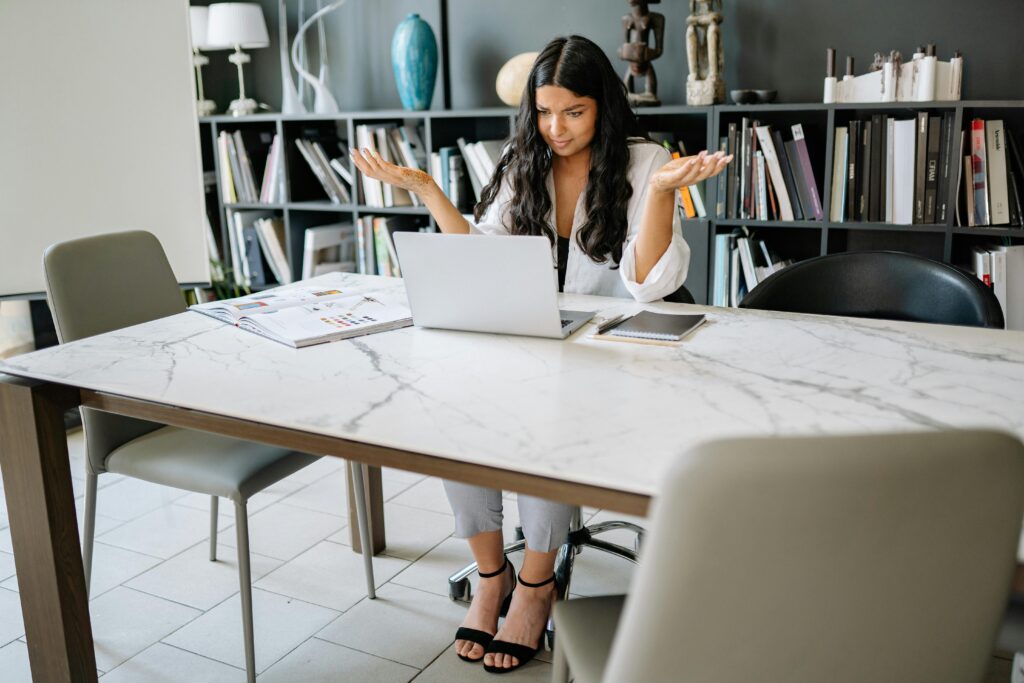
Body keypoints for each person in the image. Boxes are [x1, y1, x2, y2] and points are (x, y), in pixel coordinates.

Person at [351, 34, 730, 674]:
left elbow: (650, 283)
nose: (555, 128)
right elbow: (483, 255)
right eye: (544, 111)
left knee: (545, 419)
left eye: (573, 112)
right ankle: (492, 575)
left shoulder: (643, 162)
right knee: (455, 415)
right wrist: (426, 191)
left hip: (618, 361)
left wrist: (663, 193)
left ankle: (536, 585)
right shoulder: (523, 159)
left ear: (602, 106)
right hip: (538, 340)